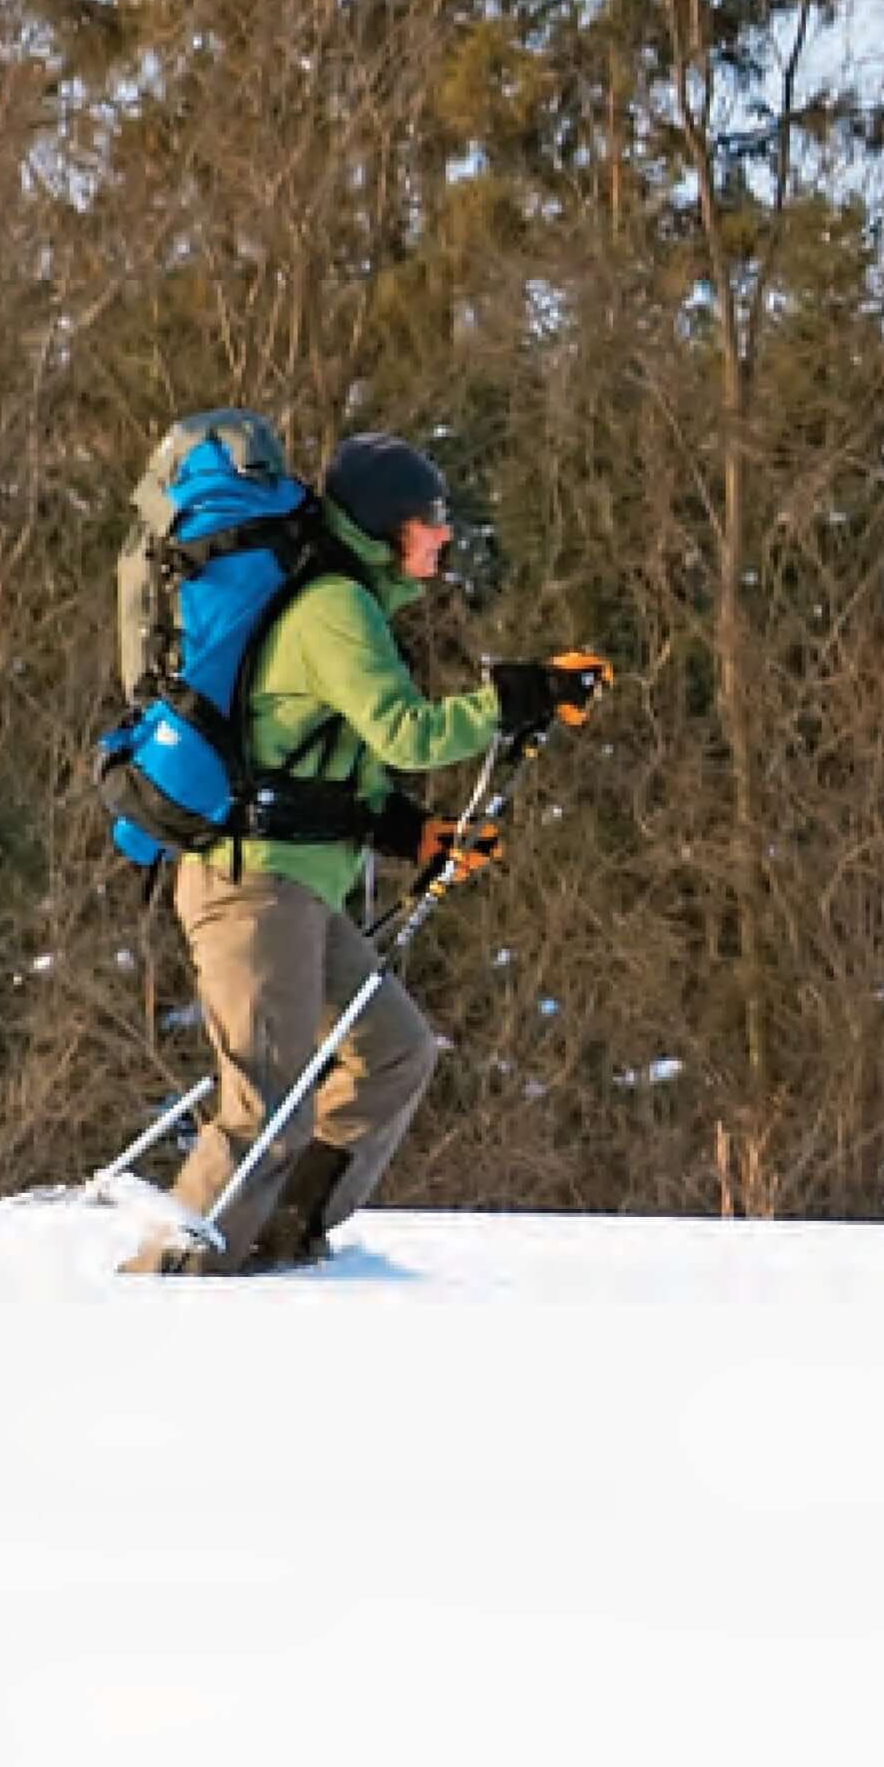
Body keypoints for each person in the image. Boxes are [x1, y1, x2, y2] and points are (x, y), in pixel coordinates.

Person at [126, 431, 610, 1279]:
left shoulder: (349, 604)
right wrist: (514, 698)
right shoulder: (333, 609)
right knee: (261, 1110)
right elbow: (408, 735)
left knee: (394, 1049)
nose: (445, 536)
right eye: (432, 520)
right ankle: (169, 1281)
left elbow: (317, 759)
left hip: (296, 888)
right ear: (389, 526)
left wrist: (411, 835)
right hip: (252, 888)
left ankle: (282, 1237)